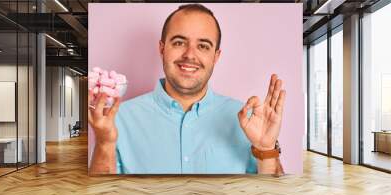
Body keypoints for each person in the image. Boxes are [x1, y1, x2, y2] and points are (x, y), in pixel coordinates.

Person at [88, 3, 286, 175]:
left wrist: (266, 149)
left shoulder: (247, 120)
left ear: (216, 57)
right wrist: (104, 144)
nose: (190, 55)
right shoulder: (118, 118)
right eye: (179, 42)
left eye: (203, 46)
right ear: (162, 48)